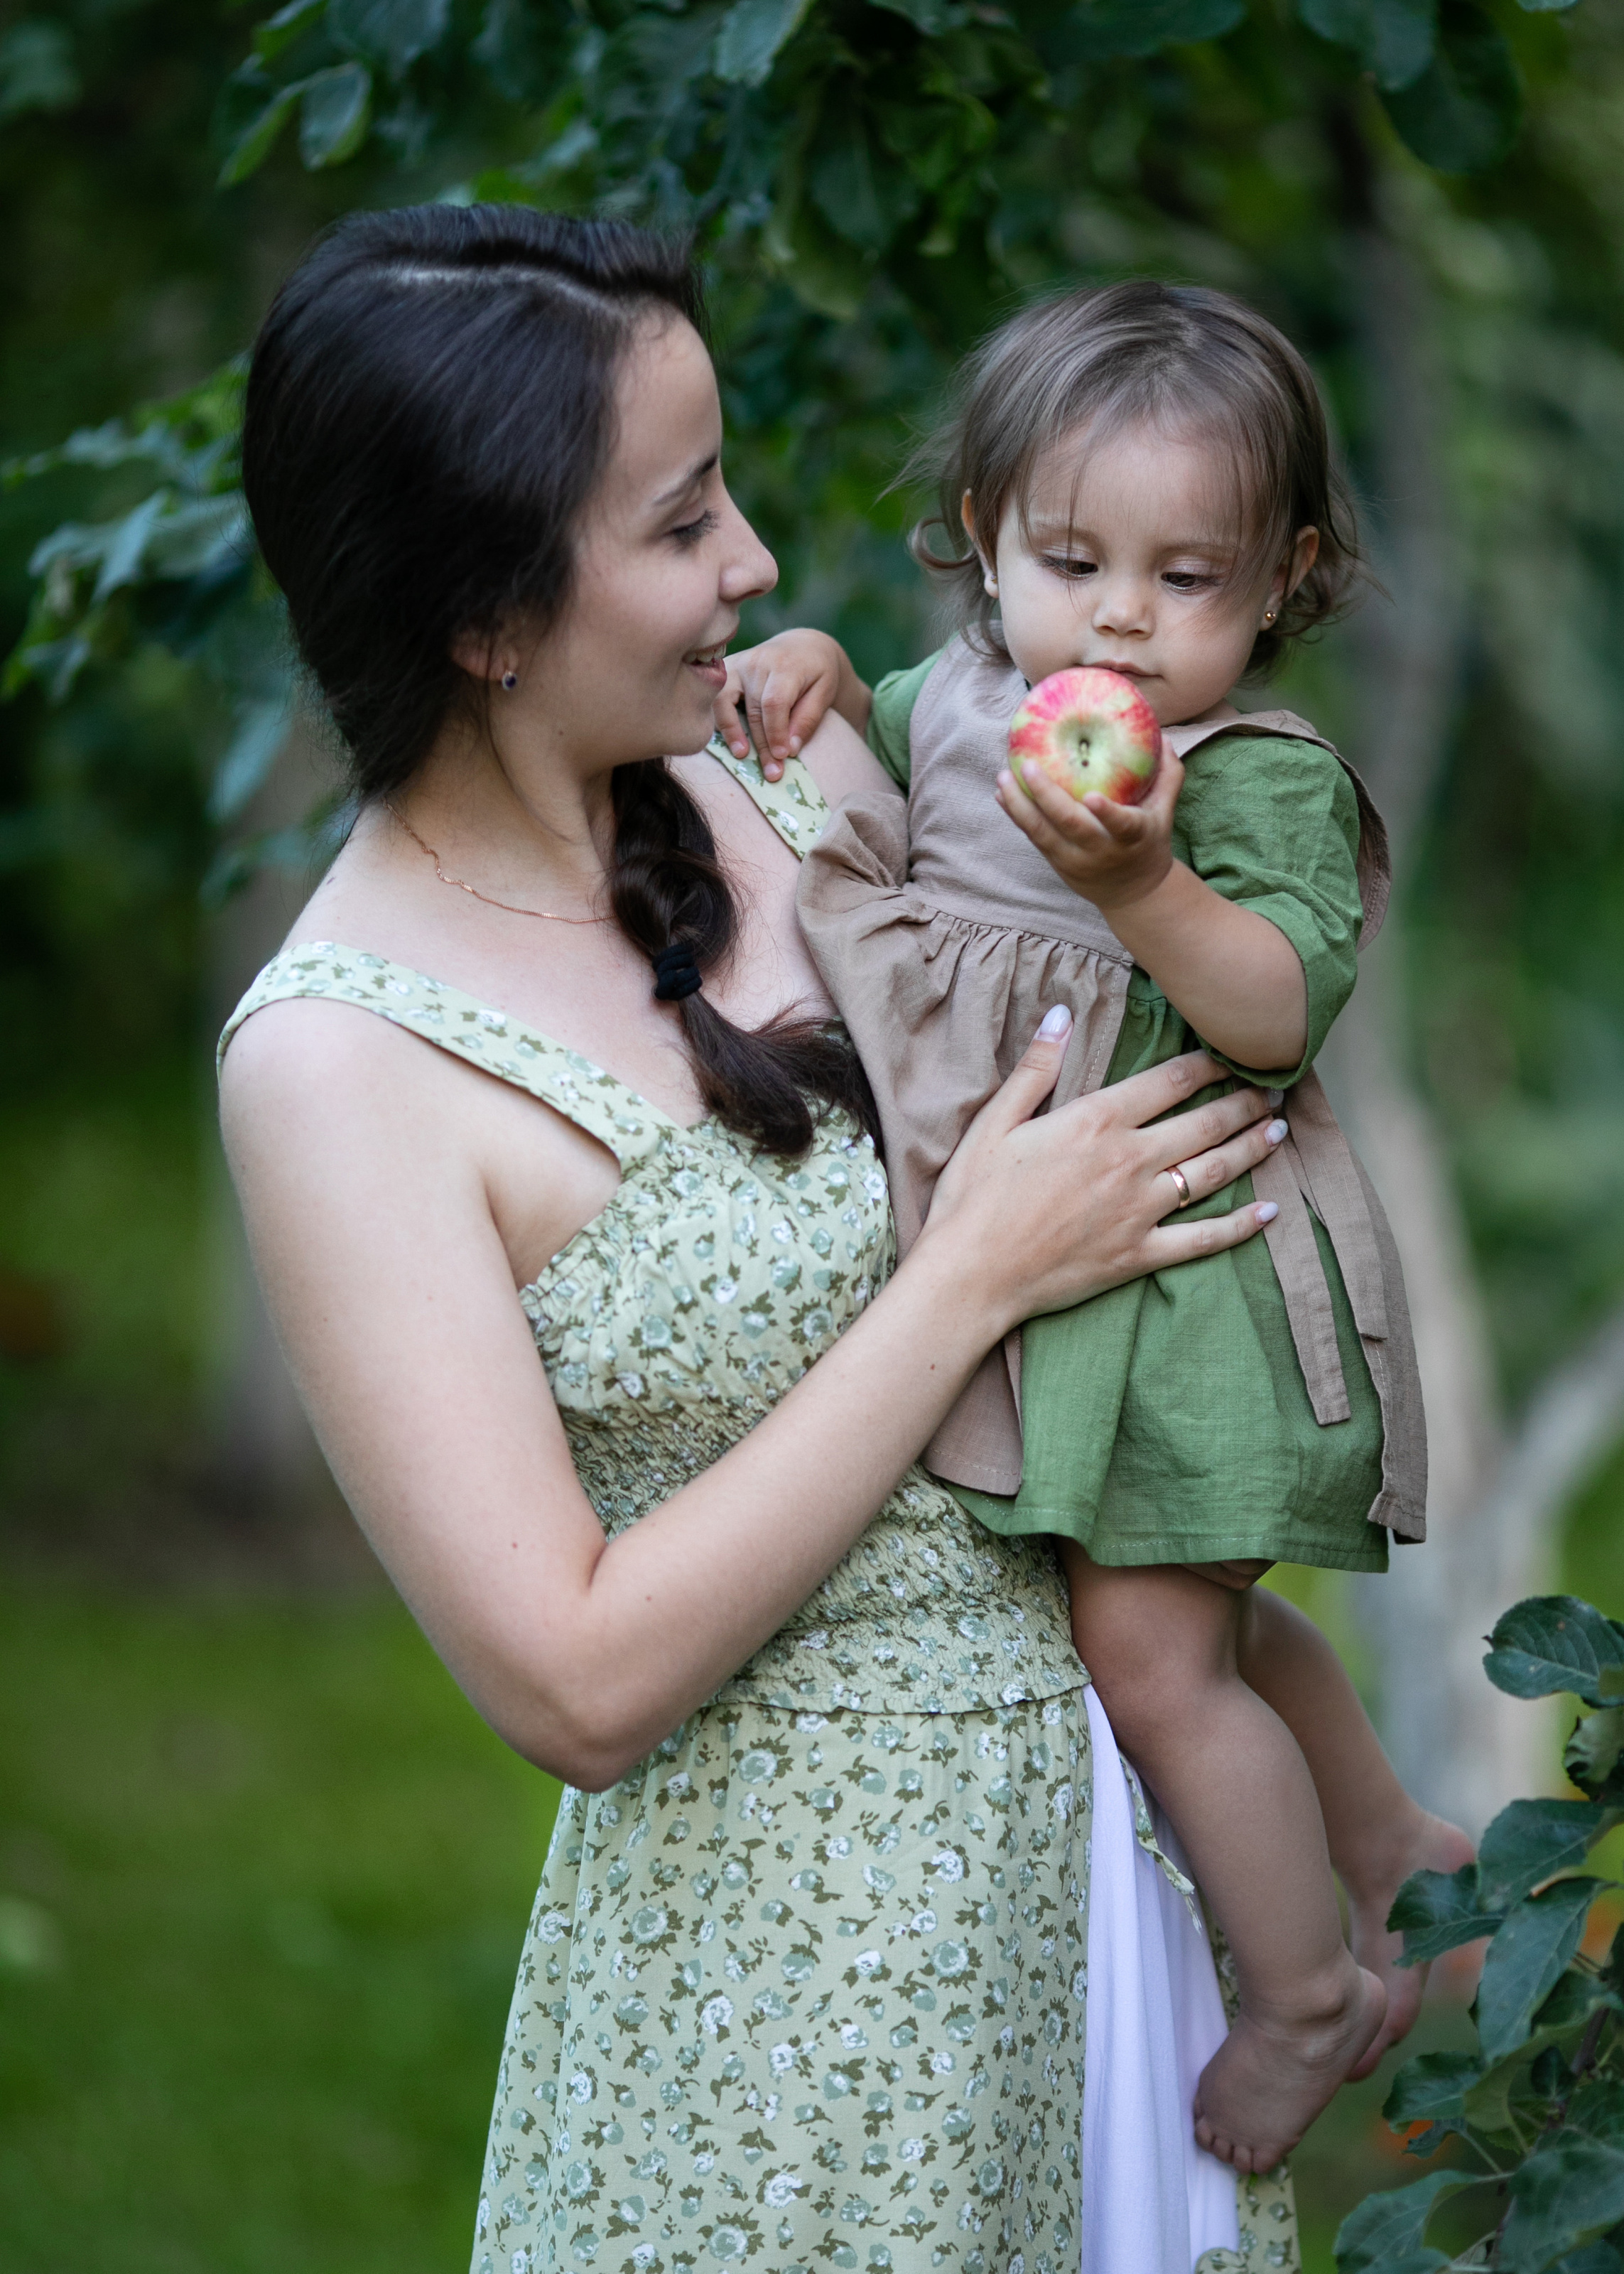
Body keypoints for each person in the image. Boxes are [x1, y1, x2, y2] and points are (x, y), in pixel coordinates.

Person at [217, 208, 1298, 2274]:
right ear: (487, 617)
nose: (757, 567)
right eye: (685, 517)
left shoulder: (777, 770)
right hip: (787, 2022)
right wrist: (968, 1276)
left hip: (1103, 1862)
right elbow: (577, 1678)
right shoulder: (340, 1064)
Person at [715, 281, 1476, 2175]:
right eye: (1073, 560)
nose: (1123, 620)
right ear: (985, 536)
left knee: (1150, 1654)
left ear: (1287, 577)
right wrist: (813, 657)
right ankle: (1389, 1844)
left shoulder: (1255, 777)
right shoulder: (966, 698)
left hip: (1182, 1267)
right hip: (1051, 1268)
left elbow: (1281, 1008)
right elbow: (879, 734)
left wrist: (1141, 880)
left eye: (1189, 578)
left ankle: (1310, 1991)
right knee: (1186, 1609)